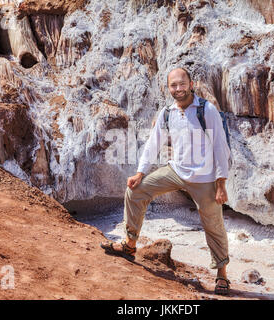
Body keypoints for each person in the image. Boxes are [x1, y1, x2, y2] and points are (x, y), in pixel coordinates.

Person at [101, 67, 232, 295]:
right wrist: (140, 173)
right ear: (168, 88)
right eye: (173, 85)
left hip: (204, 177)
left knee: (213, 224)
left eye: (182, 84)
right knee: (136, 190)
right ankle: (130, 245)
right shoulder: (168, 113)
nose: (178, 89)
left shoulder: (206, 110)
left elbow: (220, 147)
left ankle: (222, 274)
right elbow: (153, 145)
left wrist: (221, 184)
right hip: (176, 170)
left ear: (191, 85)